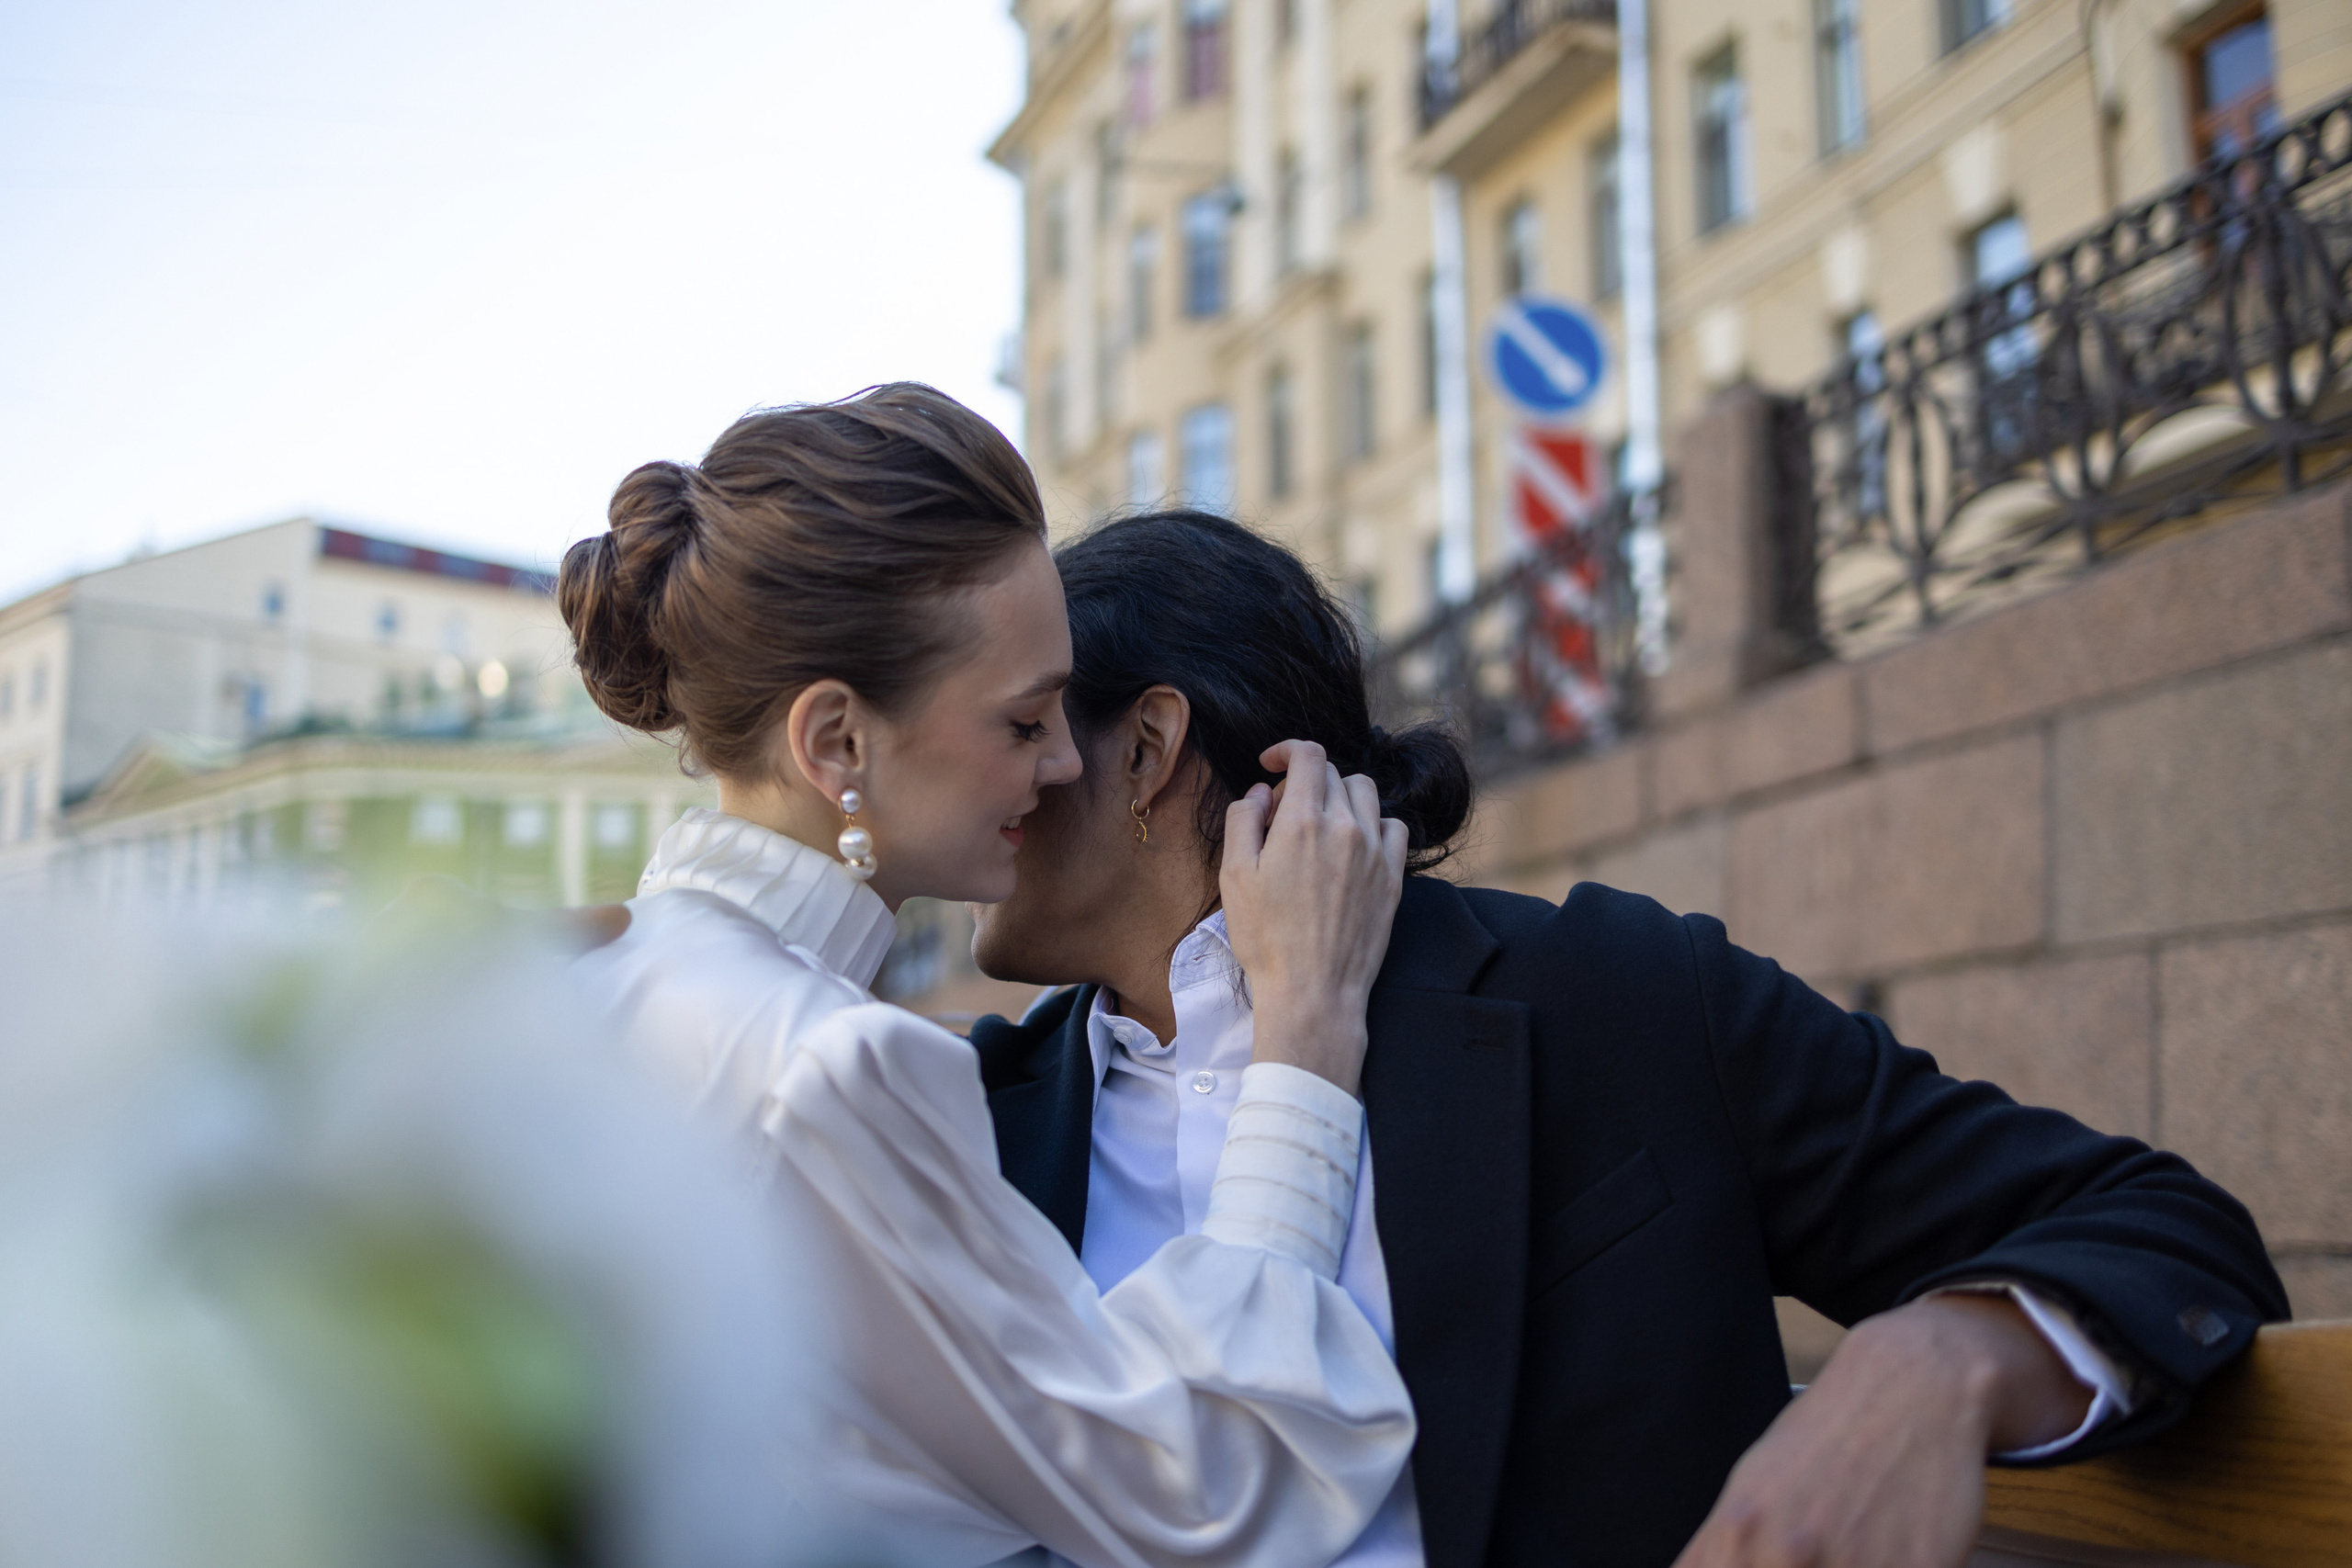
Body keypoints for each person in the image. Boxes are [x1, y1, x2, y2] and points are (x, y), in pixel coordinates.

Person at [966, 508, 2292, 1568]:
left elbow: (2157, 1226)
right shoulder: (968, 1123)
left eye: (1023, 726)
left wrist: (1936, 1357)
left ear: (1145, 751)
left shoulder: (1610, 991)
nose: (981, 777)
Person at [557, 389, 1420, 1568]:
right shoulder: (829, 1068)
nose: (1066, 761)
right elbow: (1196, 1490)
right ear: (836, 745)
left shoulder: (600, 989)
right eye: (1023, 722)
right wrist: (1305, 1045)